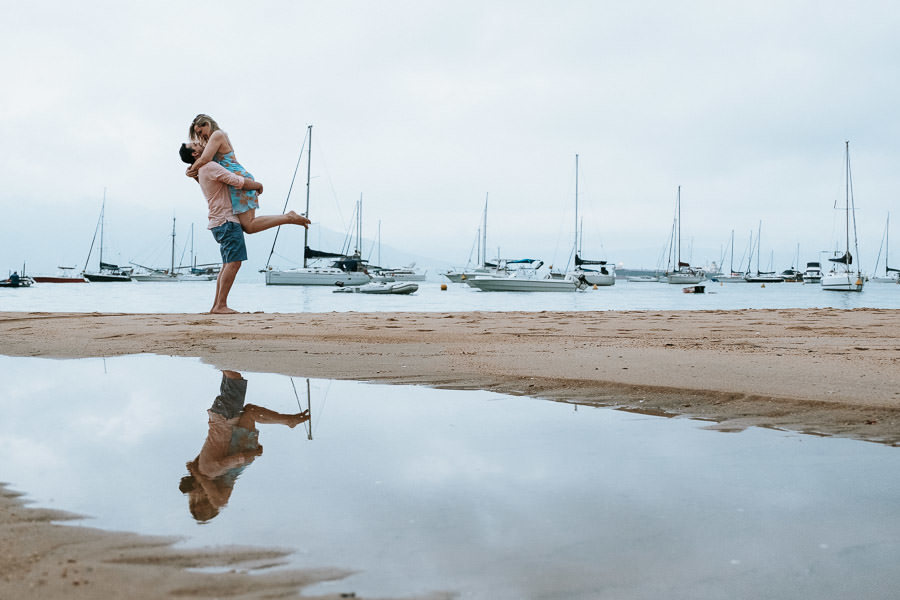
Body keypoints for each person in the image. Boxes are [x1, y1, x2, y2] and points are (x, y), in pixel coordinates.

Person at [179, 141, 310, 313]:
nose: (200, 143)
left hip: (218, 222)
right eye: (195, 145)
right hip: (226, 221)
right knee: (233, 263)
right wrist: (258, 185)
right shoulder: (209, 167)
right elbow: (236, 181)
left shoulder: (202, 170)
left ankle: (217, 305)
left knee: (228, 264)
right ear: (195, 154)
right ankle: (220, 305)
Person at [179, 370, 309, 522]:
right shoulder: (208, 473)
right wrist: (253, 454)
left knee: (250, 410)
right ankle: (215, 354)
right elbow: (232, 463)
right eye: (201, 501)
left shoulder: (206, 472)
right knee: (234, 378)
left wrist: (199, 479)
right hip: (224, 418)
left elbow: (217, 469)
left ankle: (288, 421)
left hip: (225, 420)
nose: (197, 496)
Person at [186, 114, 276, 234]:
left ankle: (289, 218)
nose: (200, 135)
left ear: (207, 124)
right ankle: (288, 218)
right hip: (233, 180)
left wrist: (191, 169)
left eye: (200, 131)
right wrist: (194, 173)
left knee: (250, 225)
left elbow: (205, 159)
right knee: (248, 227)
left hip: (238, 178)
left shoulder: (217, 135)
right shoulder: (213, 139)